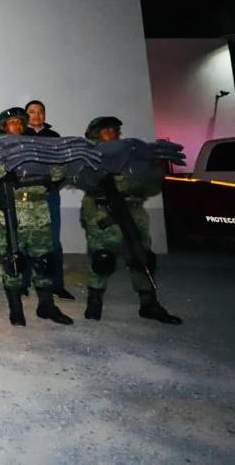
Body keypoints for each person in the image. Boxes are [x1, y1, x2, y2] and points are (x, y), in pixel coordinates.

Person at [80, 116, 181, 324]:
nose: (112, 133)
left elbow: (151, 186)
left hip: (134, 210)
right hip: (102, 210)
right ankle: (94, 300)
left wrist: (155, 170)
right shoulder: (90, 155)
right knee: (102, 258)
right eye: (106, 130)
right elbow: (85, 180)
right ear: (95, 133)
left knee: (142, 256)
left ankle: (149, 303)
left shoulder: (133, 154)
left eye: (115, 130)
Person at [0, 107, 73, 327]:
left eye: (21, 123)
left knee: (45, 261)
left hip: (39, 212)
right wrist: (10, 160)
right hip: (12, 214)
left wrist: (56, 159)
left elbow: (56, 174)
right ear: (3, 127)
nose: (18, 126)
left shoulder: (35, 148)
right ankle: (16, 308)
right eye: (12, 122)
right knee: (13, 263)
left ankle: (46, 306)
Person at [23, 100, 73, 300]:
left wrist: (51, 185)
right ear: (26, 116)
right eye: (32, 112)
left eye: (40, 112)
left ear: (44, 114)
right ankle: (24, 283)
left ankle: (56, 284)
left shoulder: (54, 137)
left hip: (49, 195)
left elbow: (62, 166)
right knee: (26, 239)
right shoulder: (20, 136)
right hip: (26, 196)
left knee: (53, 240)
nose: (36, 115)